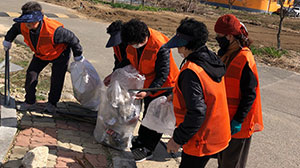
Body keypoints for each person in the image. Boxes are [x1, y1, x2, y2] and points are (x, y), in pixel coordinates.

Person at [164, 18, 231, 168]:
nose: (178, 50)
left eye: (180, 46)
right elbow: (205, 93)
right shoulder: (211, 59)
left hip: (201, 138)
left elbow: (197, 112)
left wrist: (177, 139)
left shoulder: (191, 71)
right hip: (218, 132)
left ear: (187, 45)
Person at [2, 1, 84, 113]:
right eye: (25, 21)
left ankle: (52, 103)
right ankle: (30, 101)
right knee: (31, 74)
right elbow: (14, 29)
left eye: (30, 21)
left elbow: (72, 39)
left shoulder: (54, 30)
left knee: (57, 79)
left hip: (59, 54)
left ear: (38, 19)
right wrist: (8, 40)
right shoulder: (23, 25)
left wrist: (78, 55)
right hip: (41, 54)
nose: (27, 24)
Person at [120, 19, 179, 162]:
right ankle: (141, 141)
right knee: (147, 115)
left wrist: (149, 92)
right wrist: (115, 73)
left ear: (144, 37)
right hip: (147, 85)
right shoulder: (132, 40)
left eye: (135, 44)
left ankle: (148, 149)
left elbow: (163, 74)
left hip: (163, 86)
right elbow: (128, 59)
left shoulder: (160, 45)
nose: (134, 46)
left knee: (156, 118)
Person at [214, 14, 264, 168]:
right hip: (224, 118)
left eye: (219, 36)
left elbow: (250, 95)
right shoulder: (226, 53)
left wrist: (238, 120)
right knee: (223, 159)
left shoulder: (245, 59)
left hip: (238, 122)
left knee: (232, 163)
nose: (217, 38)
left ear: (229, 36)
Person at [103, 20, 129, 86]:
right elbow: (118, 60)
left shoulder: (131, 44)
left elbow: (128, 60)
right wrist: (114, 74)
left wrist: (113, 75)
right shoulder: (117, 45)